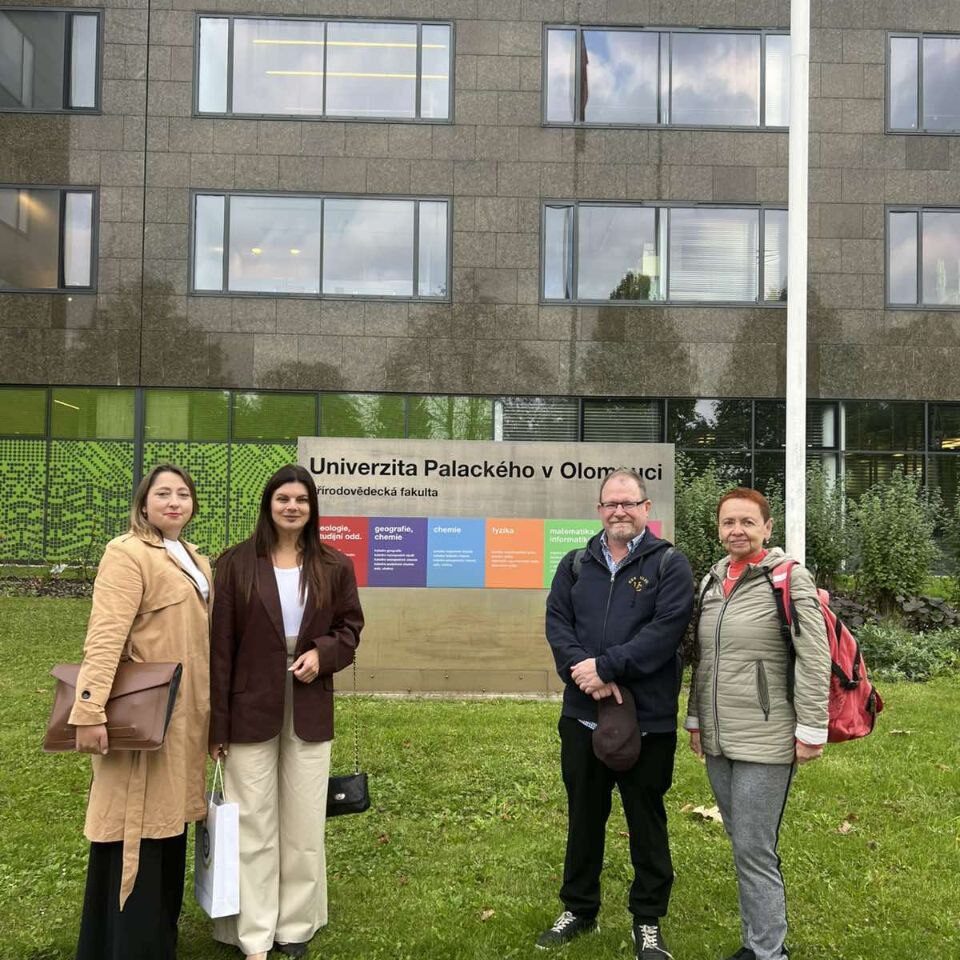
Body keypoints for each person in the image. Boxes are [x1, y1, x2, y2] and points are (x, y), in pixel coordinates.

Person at [209, 464, 364, 960]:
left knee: (303, 822)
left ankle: (294, 927)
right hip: (248, 706)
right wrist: (217, 726)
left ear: (312, 507)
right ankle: (254, 934)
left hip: (309, 701)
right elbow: (220, 649)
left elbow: (350, 629)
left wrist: (323, 653)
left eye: (301, 499)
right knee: (252, 822)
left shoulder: (334, 564)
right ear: (268, 505)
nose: (292, 507)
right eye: (283, 499)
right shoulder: (235, 564)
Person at [541, 468, 694, 959]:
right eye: (611, 503)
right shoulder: (575, 563)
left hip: (646, 721)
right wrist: (583, 672)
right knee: (584, 816)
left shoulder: (670, 564)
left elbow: (665, 631)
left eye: (629, 503)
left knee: (646, 819)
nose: (620, 511)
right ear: (599, 510)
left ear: (646, 508)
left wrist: (605, 667)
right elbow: (558, 624)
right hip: (582, 717)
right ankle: (579, 908)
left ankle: (647, 920)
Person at [72, 464, 211, 960]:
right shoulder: (126, 552)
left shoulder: (193, 557)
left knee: (169, 825)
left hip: (184, 717)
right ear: (144, 503)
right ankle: (124, 945)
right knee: (136, 824)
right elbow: (106, 633)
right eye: (163, 493)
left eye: (182, 494)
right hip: (143, 715)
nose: (174, 502)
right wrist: (89, 710)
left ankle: (157, 940)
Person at [686, 488, 831, 960]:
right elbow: (703, 660)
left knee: (753, 847)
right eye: (729, 522)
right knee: (743, 842)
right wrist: (695, 719)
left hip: (767, 737)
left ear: (767, 528)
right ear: (718, 529)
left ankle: (769, 952)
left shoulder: (787, 578)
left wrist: (812, 728)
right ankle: (757, 943)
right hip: (719, 737)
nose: (737, 531)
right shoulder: (712, 581)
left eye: (748, 522)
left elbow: (814, 656)